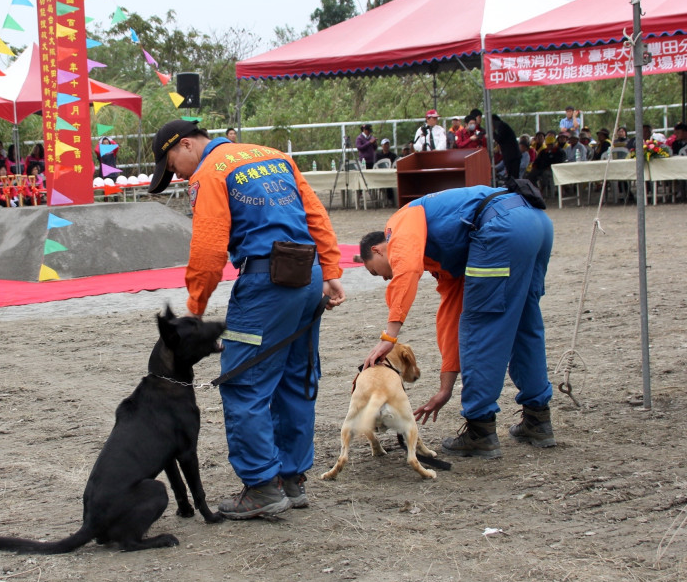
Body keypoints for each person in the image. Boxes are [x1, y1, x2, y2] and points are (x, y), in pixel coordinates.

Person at [147, 119, 346, 519]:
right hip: (308, 277)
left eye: (172, 165)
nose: (176, 175)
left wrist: (196, 308)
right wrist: (332, 271)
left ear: (186, 145)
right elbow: (316, 216)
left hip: (266, 285)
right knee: (296, 377)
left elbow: (207, 249)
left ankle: (261, 488)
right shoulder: (275, 157)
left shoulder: (209, 172)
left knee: (243, 383)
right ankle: (291, 479)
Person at [359, 183, 556, 459]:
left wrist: (389, 336)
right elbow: (451, 320)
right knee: (524, 322)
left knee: (481, 328)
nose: (384, 278)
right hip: (535, 223)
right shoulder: (448, 258)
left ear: (379, 250)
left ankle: (481, 429)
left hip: (500, 227)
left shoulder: (399, 223)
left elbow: (407, 268)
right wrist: (445, 388)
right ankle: (538, 420)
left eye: (375, 272)